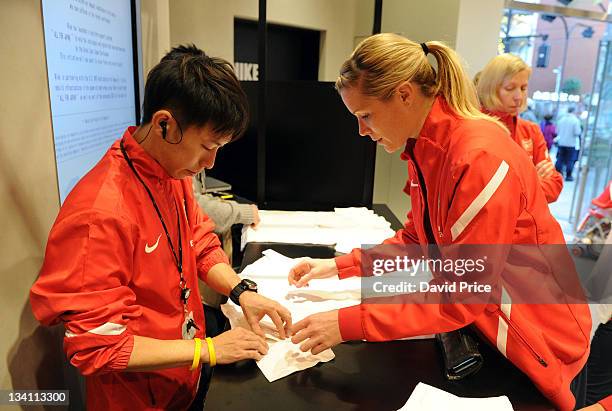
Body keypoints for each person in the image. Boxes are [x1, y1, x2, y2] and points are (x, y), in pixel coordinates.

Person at [287, 34, 591, 411]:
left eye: (365, 116)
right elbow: (418, 239)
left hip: (539, 339)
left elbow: (464, 294)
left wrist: (346, 323)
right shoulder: (427, 148)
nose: (362, 131)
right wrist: (340, 265)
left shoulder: (476, 157)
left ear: (403, 94)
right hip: (495, 328)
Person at [30, 45, 291, 411]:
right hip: (139, 396)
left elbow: (198, 241)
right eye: (206, 146)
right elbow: (97, 346)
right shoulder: (100, 214)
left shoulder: (170, 170)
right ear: (164, 123)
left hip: (185, 372)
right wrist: (210, 349)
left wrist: (240, 290)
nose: (210, 162)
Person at [476, 53, 563, 203]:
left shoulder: (531, 130)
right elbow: (485, 195)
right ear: (490, 88)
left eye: (523, 88)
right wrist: (533, 179)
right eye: (510, 88)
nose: (518, 96)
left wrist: (513, 188)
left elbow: (554, 186)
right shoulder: (475, 129)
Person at [555, 106, 582, 181]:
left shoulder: (561, 120)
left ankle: (557, 173)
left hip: (561, 143)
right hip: (571, 144)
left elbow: (557, 131)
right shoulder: (575, 121)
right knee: (570, 160)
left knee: (560, 158)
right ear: (573, 111)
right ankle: (568, 175)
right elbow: (577, 132)